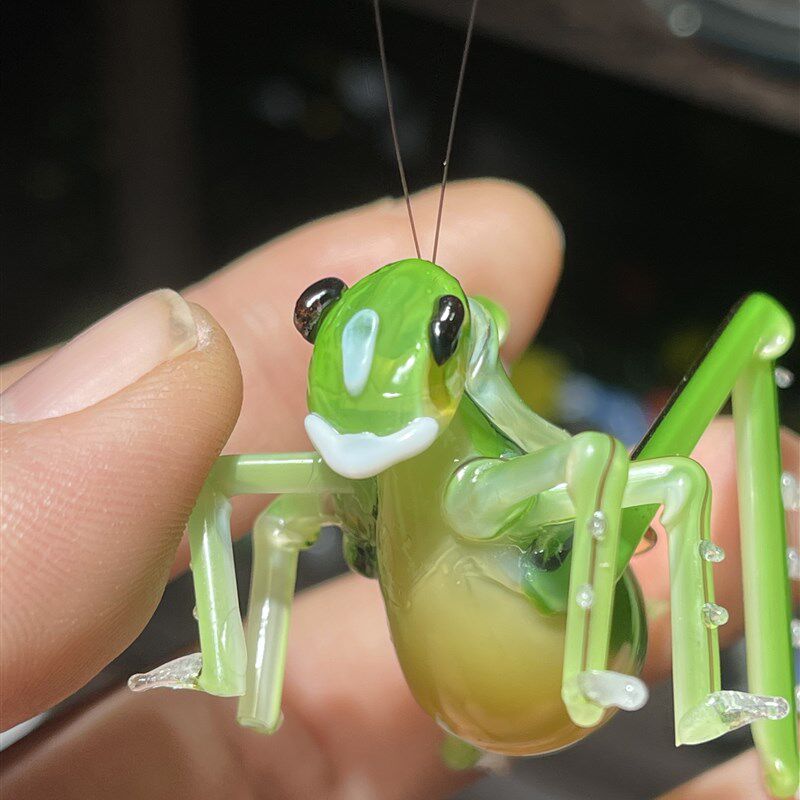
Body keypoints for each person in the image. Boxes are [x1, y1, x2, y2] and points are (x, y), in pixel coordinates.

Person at [1, 180, 795, 799]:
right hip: (455, 693)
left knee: (680, 471)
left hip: (569, 612)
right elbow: (233, 489)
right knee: (240, 494)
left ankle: (704, 703)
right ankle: (230, 676)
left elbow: (584, 460)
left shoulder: (486, 417)